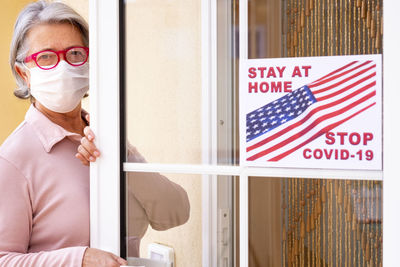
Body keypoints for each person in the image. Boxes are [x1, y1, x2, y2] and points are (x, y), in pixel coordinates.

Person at [0, 1, 190, 266]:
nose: (63, 66)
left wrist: (120, 153)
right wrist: (80, 258)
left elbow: (176, 213)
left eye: (75, 53)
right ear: (24, 73)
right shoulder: (12, 159)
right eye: (46, 57)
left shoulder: (105, 135)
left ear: (90, 62)